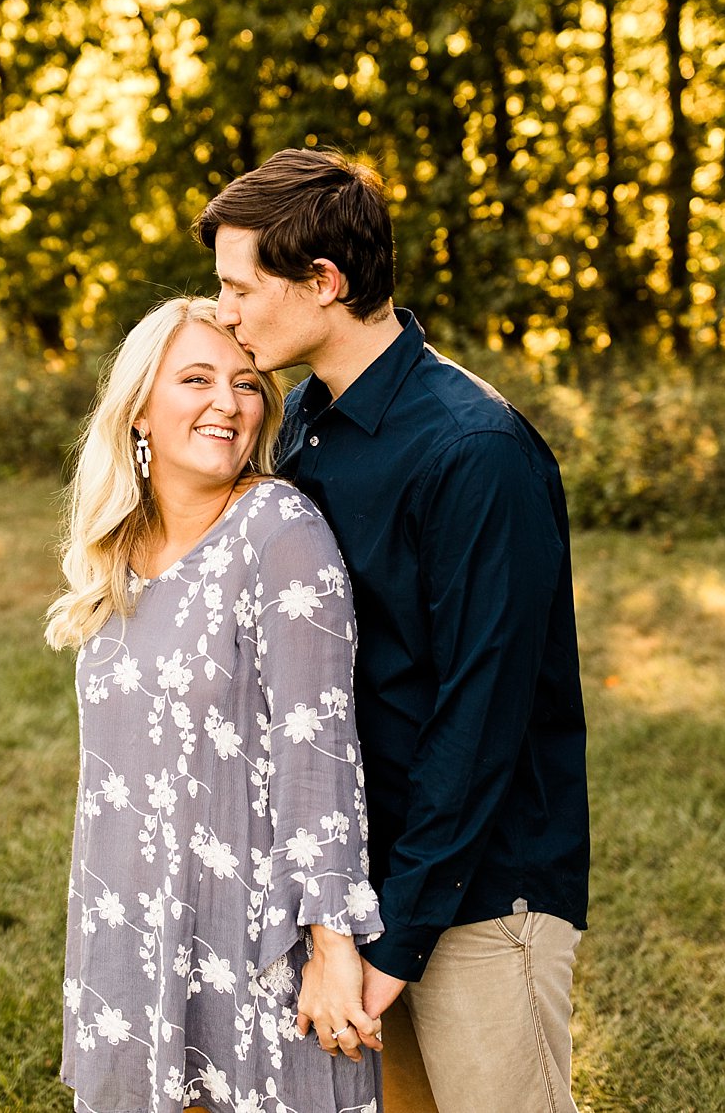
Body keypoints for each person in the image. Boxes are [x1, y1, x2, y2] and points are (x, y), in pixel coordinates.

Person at [197, 150, 590, 1113]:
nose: (225, 313)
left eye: (240, 288)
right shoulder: (308, 429)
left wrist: (401, 935)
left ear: (323, 283)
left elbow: (482, 716)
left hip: (478, 895)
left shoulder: (475, 452)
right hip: (364, 887)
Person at [45, 297, 389, 1113]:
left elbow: (321, 754)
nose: (227, 403)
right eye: (195, 378)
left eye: (244, 384)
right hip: (129, 913)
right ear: (138, 410)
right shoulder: (118, 549)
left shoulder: (279, 529)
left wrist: (332, 947)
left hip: (252, 926)